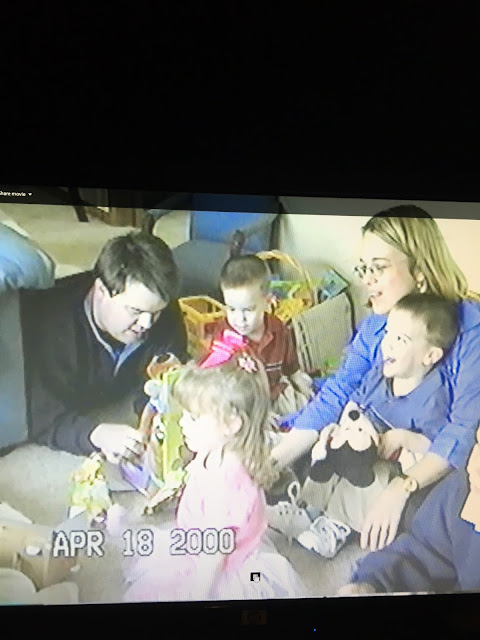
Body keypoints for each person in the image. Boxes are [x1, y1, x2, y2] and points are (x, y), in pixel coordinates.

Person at [271, 206, 480, 551]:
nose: (367, 279)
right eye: (363, 268)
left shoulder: (471, 328)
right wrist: (274, 461)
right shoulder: (375, 326)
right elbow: (339, 390)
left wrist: (404, 486)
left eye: (378, 268)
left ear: (420, 272)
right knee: (314, 452)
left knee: (431, 519)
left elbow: (462, 429)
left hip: (429, 460)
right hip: (372, 443)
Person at [118, 351, 307, 602]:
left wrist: (196, 593)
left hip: (221, 567)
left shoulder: (228, 490)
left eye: (193, 417)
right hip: (195, 538)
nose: (182, 423)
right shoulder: (215, 449)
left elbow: (213, 558)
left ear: (231, 424)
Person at [287, 293, 458, 554]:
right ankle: (309, 508)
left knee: (375, 480)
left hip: (390, 459)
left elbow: (434, 446)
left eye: (400, 340)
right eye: (388, 334)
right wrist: (344, 426)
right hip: (359, 440)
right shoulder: (381, 372)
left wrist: (402, 438)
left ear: (430, 355)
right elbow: (355, 401)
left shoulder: (433, 398)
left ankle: (337, 525)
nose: (388, 345)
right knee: (326, 453)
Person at [20, 231, 187, 462]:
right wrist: (95, 434)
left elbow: (163, 382)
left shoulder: (163, 313)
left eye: (156, 312)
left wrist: (153, 420)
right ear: (100, 291)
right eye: (135, 311)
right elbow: (40, 418)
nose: (147, 323)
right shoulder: (53, 327)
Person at [337, 423, 480, 595]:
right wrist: (371, 584)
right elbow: (421, 550)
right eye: (478, 444)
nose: (474, 467)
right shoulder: (464, 490)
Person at [208, 254, 314, 416]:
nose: (240, 319)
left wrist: (297, 385)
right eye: (232, 309)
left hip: (273, 397)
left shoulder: (279, 330)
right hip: (240, 406)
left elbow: (291, 368)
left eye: (248, 310)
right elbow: (214, 378)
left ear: (268, 301)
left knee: (301, 402)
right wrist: (235, 365)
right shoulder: (223, 336)